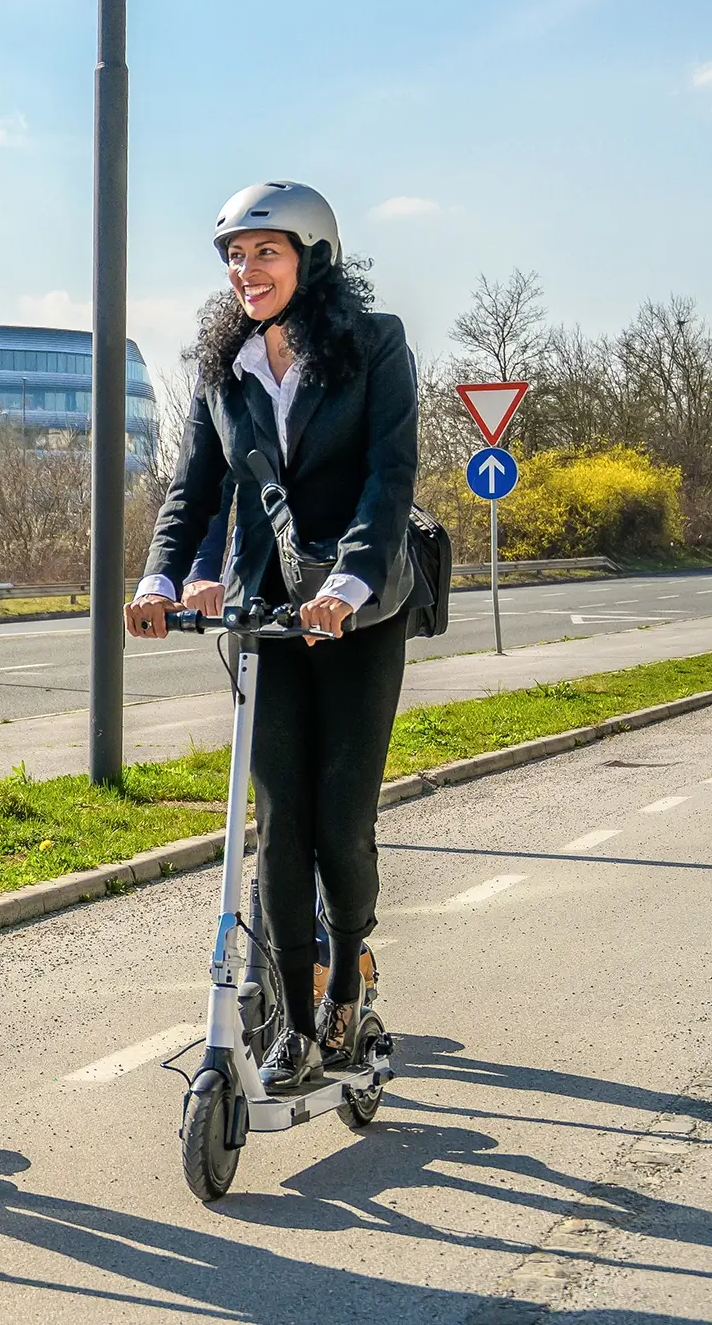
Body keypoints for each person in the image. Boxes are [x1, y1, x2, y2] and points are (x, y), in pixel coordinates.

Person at [125, 180, 418, 1092]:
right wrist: (161, 577)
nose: (245, 272)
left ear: (313, 258)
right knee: (281, 821)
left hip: (357, 612)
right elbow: (196, 490)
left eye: (265, 252)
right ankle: (295, 1017)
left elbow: (388, 476)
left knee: (341, 817)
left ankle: (349, 972)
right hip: (269, 615)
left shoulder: (375, 345)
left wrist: (351, 581)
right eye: (234, 257)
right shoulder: (228, 365)